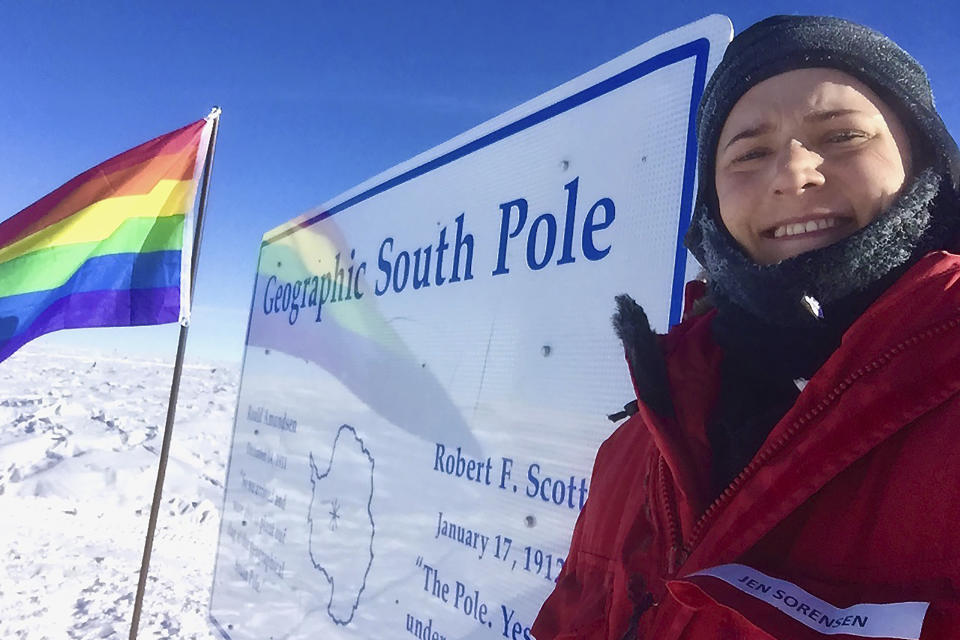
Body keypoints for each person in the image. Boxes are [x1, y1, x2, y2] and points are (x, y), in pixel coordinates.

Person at [532, 15, 960, 640]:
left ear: (928, 162)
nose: (792, 172)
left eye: (841, 135)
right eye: (750, 152)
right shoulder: (638, 444)